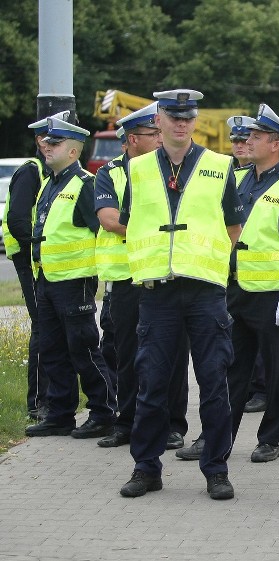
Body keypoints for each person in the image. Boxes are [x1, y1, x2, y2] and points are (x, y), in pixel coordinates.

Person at [118, 89, 244, 500]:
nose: (181, 124)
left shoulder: (219, 165)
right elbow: (127, 222)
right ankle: (146, 468)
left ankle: (216, 470)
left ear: (195, 121)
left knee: (214, 383)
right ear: (159, 122)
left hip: (205, 292)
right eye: (173, 117)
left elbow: (232, 225)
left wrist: (211, 264)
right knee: (152, 384)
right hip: (157, 292)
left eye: (188, 118)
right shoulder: (136, 171)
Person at [94, 102, 190, 450]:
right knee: (128, 354)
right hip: (127, 279)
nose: (159, 138)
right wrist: (158, 230)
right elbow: (109, 219)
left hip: (169, 275)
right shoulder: (110, 173)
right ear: (133, 139)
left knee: (174, 353)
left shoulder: (173, 170)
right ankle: (128, 422)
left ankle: (173, 424)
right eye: (153, 134)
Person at [226, 103, 279, 462]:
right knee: (231, 368)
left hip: (273, 295)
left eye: (257, 136)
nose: (249, 140)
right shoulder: (240, 179)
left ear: (275, 143)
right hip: (236, 290)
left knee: (275, 371)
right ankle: (220, 437)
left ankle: (270, 438)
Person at [23, 115, 117, 439]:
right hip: (48, 280)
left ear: (73, 152)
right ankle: (60, 414)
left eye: (55, 143)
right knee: (51, 349)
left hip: (75, 282)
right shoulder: (51, 183)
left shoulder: (84, 185)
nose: (46, 147)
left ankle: (104, 412)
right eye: (47, 142)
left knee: (83, 349)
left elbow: (104, 232)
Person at [3, 112, 67, 421]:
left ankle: (48, 400)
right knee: (43, 327)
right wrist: (37, 247)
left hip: (42, 259)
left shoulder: (51, 173)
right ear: (40, 142)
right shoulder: (31, 172)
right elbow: (17, 219)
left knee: (49, 327)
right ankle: (38, 403)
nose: (52, 145)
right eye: (49, 139)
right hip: (30, 259)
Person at [227, 115, 268, 414]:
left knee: (262, 345)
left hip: (263, 276)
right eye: (236, 141)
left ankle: (261, 390)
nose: (241, 146)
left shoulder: (271, 179)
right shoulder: (232, 176)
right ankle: (245, 388)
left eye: (246, 140)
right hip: (233, 272)